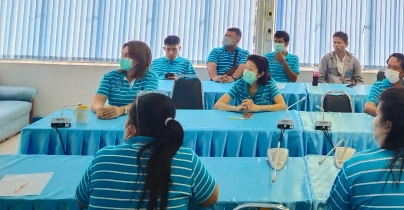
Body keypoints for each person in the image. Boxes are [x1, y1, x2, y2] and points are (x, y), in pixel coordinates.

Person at [76, 93, 218, 210]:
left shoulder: (102, 157)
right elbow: (210, 199)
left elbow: (81, 201)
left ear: (131, 128)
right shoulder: (186, 160)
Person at [91, 41, 159, 119]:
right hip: (113, 119)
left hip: (138, 119)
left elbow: (145, 102)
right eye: (122, 55)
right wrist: (99, 108)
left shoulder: (150, 77)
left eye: (127, 55)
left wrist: (121, 110)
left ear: (140, 58)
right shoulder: (110, 76)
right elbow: (97, 99)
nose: (122, 59)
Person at [214, 54, 286, 112]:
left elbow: (282, 106)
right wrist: (237, 108)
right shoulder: (239, 84)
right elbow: (217, 105)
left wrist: (258, 108)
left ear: (260, 74)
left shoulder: (269, 83)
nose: (246, 71)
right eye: (245, 68)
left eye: (250, 69)